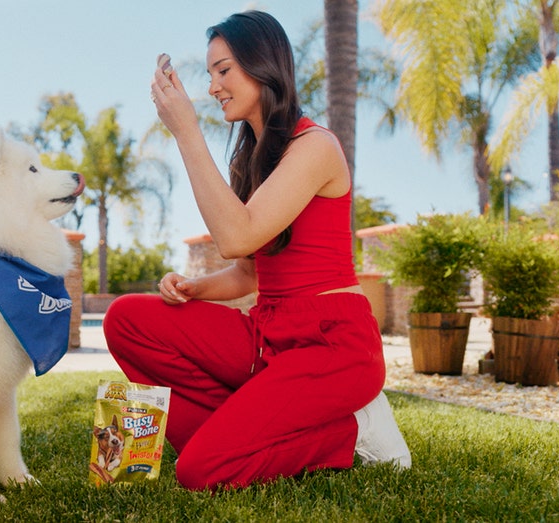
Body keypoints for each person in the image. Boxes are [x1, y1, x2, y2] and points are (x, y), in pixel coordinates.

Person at [102, 10, 411, 491]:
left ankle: (351, 432)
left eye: (223, 70)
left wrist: (185, 130)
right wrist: (194, 287)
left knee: (200, 471)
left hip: (332, 345)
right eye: (209, 75)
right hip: (267, 336)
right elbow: (248, 273)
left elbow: (237, 236)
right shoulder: (250, 159)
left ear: (262, 64)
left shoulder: (316, 146)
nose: (212, 86)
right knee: (125, 319)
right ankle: (250, 425)